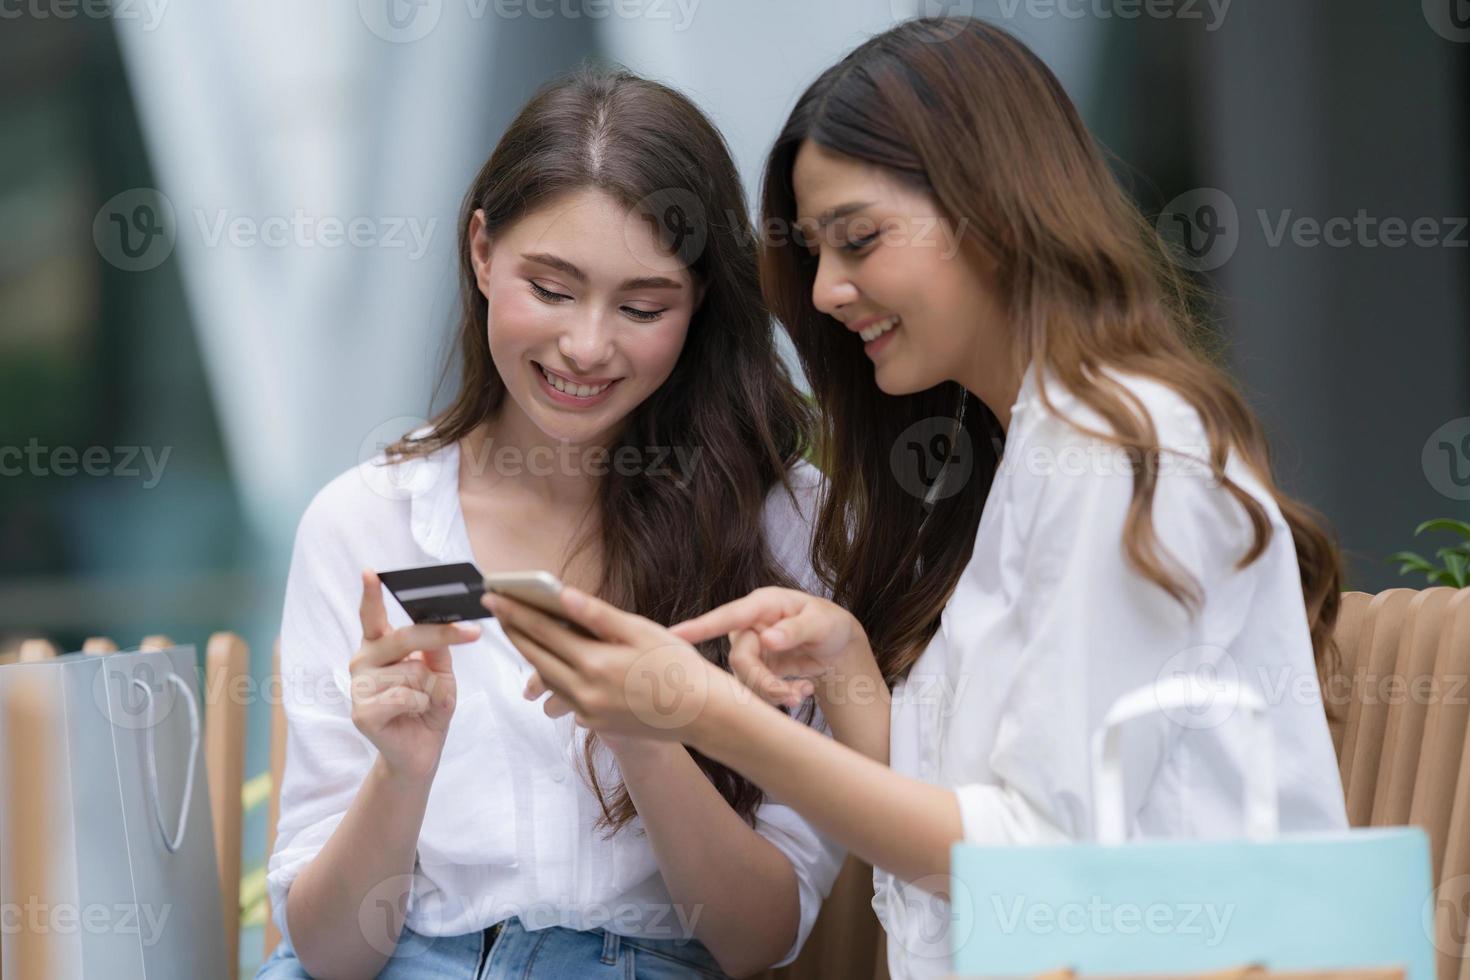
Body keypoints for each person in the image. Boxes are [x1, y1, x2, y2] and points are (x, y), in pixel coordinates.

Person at [487, 19, 1350, 980]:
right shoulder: (1037, 451)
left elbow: (1034, 863)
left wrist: (707, 714)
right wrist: (848, 665)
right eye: (815, 252)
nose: (823, 292)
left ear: (994, 210)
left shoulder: (1119, 450)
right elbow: (962, 818)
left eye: (857, 240)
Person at [259, 67, 844, 980]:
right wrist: (401, 774)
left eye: (644, 307)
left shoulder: (782, 524)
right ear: (483, 252)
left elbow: (757, 938)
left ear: (699, 307)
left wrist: (645, 731)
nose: (586, 345)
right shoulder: (365, 523)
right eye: (553, 287)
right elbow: (329, 955)